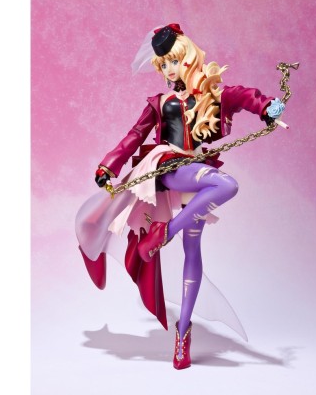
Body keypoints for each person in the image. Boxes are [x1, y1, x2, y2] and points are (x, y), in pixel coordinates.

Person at [76, 23, 285, 370]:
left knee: (193, 251)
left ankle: (183, 332)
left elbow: (244, 95)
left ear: (188, 57)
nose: (169, 70)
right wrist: (108, 165)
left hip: (196, 173)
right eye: (163, 65)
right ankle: (163, 234)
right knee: (227, 185)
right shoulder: (161, 103)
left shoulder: (210, 94)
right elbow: (134, 135)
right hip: (168, 167)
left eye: (173, 61)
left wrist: (267, 107)